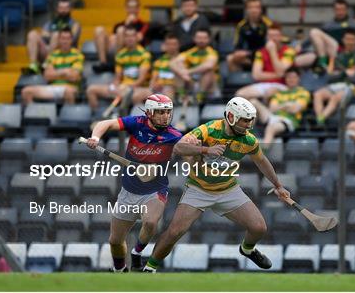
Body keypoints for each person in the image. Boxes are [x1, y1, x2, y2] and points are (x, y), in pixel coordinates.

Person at [143, 97, 291, 273]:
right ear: (231, 116)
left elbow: (262, 161)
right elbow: (178, 148)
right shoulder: (209, 129)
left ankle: (247, 249)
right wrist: (205, 149)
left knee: (259, 228)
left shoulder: (249, 140)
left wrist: (278, 185)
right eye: (245, 120)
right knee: (174, 232)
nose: (249, 124)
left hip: (228, 190)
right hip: (198, 189)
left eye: (251, 120)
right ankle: (149, 269)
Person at [85, 94, 198, 272]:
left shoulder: (174, 135)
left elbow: (189, 159)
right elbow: (104, 124)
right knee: (115, 241)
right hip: (128, 191)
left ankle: (137, 252)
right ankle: (119, 270)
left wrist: (195, 149)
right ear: (149, 113)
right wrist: (95, 138)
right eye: (160, 112)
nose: (166, 116)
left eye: (168, 112)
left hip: (155, 190)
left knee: (151, 222)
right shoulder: (137, 123)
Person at [86, 26, 151, 111]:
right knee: (91, 90)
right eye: (127, 36)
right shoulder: (120, 55)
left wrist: (127, 87)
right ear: (124, 38)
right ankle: (96, 116)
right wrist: (114, 86)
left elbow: (141, 79)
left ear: (137, 38)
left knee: (134, 96)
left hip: (139, 88)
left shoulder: (144, 55)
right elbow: (118, 77)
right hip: (122, 87)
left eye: (132, 36)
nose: (130, 39)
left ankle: (134, 120)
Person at [313, 30, 355, 126]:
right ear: (343, 40)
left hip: (352, 87)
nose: (349, 42)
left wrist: (340, 74)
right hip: (336, 85)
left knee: (335, 97)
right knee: (318, 94)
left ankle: (321, 119)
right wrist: (344, 73)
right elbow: (330, 77)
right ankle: (319, 116)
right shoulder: (339, 57)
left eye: (352, 39)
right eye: (347, 39)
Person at [21, 28, 84, 105]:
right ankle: (36, 114)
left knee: (69, 92)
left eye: (68, 38)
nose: (65, 41)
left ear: (71, 40)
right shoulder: (52, 55)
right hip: (52, 87)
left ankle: (69, 116)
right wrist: (64, 72)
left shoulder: (78, 55)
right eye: (63, 38)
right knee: (26, 91)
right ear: (59, 40)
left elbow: (74, 77)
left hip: (69, 87)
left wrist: (55, 72)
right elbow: (47, 76)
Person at [236, 23, 296, 102]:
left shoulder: (289, 51)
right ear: (267, 37)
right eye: (270, 36)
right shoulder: (260, 52)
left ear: (281, 37)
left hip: (282, 85)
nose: (273, 39)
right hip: (263, 84)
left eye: (275, 35)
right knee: (240, 94)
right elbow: (256, 75)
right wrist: (277, 75)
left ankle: (267, 113)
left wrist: (272, 52)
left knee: (269, 93)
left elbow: (280, 71)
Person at [250, 67, 311, 145]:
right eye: (288, 77)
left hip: (288, 120)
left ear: (299, 78)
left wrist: (280, 106)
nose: (291, 79)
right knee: (253, 102)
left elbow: (295, 109)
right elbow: (272, 109)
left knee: (271, 128)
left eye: (293, 77)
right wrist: (287, 105)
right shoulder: (280, 92)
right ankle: (247, 134)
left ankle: (261, 153)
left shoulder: (303, 92)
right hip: (273, 116)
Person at [93, 0, 149, 72]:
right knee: (99, 29)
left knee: (121, 30)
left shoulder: (144, 24)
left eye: (134, 7)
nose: (132, 10)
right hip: (116, 49)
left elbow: (138, 39)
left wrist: (127, 25)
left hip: (132, 51)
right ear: (126, 8)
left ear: (138, 9)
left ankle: (117, 63)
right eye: (129, 7)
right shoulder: (118, 24)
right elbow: (112, 40)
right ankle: (103, 63)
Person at [26, 0, 81, 74]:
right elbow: (43, 35)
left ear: (70, 9)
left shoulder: (75, 24)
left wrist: (56, 35)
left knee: (56, 35)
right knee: (32, 34)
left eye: (66, 8)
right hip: (48, 50)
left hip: (65, 52)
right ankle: (33, 65)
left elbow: (72, 38)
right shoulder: (50, 23)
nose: (63, 10)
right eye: (61, 8)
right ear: (57, 9)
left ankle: (48, 63)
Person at [227, 0, 272, 72]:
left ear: (261, 10)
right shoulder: (241, 26)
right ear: (246, 10)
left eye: (257, 7)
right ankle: (238, 81)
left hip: (264, 56)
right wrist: (239, 52)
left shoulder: (268, 24)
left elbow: (270, 45)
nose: (254, 10)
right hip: (249, 57)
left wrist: (249, 53)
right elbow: (237, 46)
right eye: (250, 7)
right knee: (230, 58)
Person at [174, 29, 219, 104]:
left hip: (210, 88)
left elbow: (209, 65)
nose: (201, 40)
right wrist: (182, 72)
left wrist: (187, 71)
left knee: (208, 72)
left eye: (204, 38)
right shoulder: (190, 52)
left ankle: (199, 98)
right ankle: (182, 96)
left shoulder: (212, 52)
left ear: (209, 39)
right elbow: (173, 62)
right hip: (192, 83)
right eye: (199, 38)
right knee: (178, 67)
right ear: (194, 39)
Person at [148, 34, 190, 101]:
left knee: (167, 91)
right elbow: (153, 79)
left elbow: (186, 77)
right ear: (165, 45)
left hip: (176, 88)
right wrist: (154, 84)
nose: (171, 47)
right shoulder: (159, 61)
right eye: (169, 44)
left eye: (174, 44)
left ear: (179, 45)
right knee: (140, 94)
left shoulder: (184, 58)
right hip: (160, 88)